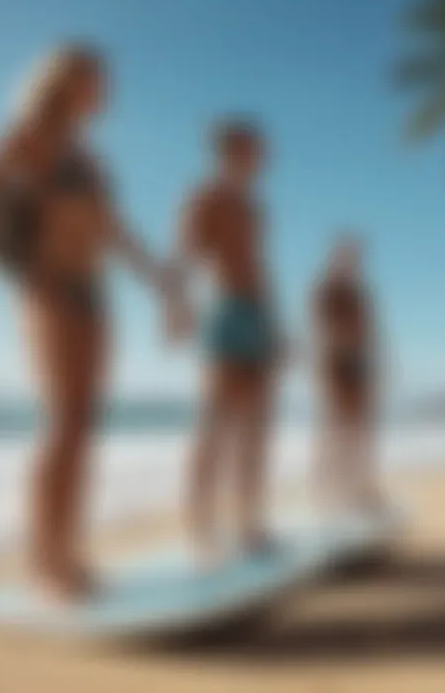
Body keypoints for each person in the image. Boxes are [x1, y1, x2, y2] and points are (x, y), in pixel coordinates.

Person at [0, 45, 176, 601]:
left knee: (82, 426)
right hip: (48, 286)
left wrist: (161, 281)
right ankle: (42, 564)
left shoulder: (90, 158)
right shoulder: (32, 132)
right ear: (66, 80)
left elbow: (112, 229)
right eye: (97, 77)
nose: (106, 89)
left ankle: (67, 551)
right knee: (64, 422)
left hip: (93, 293)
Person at [171, 119, 279, 566]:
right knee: (214, 424)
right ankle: (199, 530)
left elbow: (261, 266)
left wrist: (277, 325)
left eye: (261, 151)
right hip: (225, 311)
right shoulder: (205, 198)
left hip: (258, 315)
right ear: (230, 150)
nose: (262, 158)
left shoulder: (255, 207)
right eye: (255, 149)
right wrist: (177, 306)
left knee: (256, 426)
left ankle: (248, 524)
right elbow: (185, 254)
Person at [312, 237, 383, 515]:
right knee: (335, 428)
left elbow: (369, 331)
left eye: (357, 258)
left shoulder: (359, 293)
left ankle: (360, 489)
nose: (354, 262)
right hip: (336, 362)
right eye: (348, 256)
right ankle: (327, 493)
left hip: (359, 362)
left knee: (362, 429)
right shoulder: (327, 290)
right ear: (336, 257)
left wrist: (373, 362)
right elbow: (322, 330)